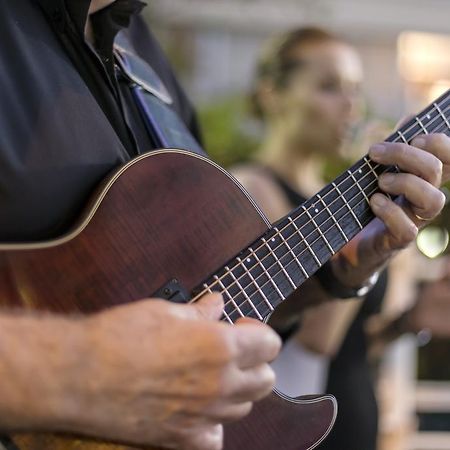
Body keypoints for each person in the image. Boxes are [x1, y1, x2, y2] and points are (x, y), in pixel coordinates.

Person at [0, 4, 449, 450]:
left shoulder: (142, 56)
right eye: (329, 86)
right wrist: (86, 369)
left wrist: (341, 271)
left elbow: (212, 302)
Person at [232, 26, 450, 450]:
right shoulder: (248, 192)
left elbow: (357, 346)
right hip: (290, 433)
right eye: (329, 87)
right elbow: (312, 342)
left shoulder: (348, 203)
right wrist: (364, 206)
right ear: (272, 94)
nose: (350, 104)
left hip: (351, 421)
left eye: (355, 88)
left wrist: (410, 322)